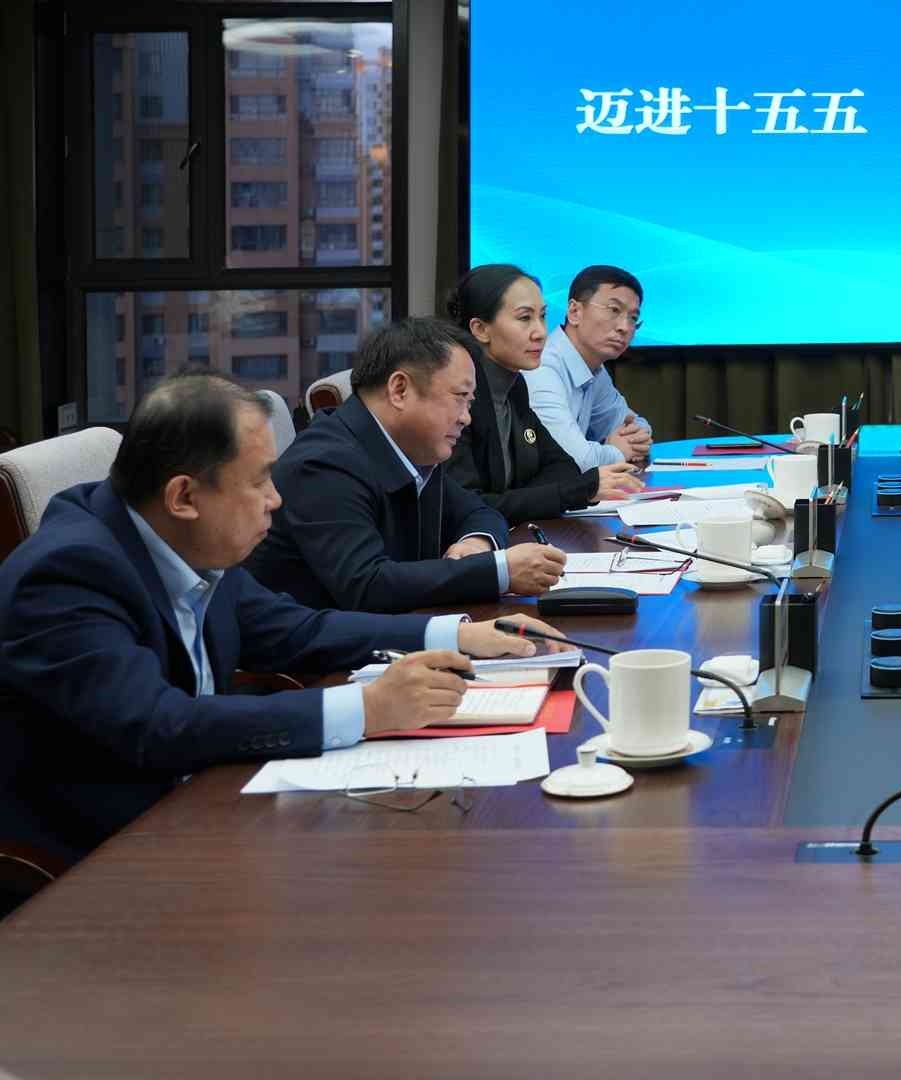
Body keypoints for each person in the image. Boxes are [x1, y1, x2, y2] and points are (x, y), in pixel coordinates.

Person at [0, 373, 560, 865]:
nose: (276, 499)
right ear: (183, 496)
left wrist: (458, 634)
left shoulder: (185, 538)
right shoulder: (68, 574)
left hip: (211, 801)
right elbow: (157, 724)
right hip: (106, 858)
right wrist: (368, 708)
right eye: (259, 481)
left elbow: (297, 631)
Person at [244, 318, 567, 613]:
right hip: (314, 656)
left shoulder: (412, 447)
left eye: (470, 403)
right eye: (459, 397)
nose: (466, 418)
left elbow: (479, 511)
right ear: (399, 390)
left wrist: (476, 544)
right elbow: (367, 585)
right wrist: (498, 571)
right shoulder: (323, 464)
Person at [444, 264, 646, 524]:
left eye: (542, 316)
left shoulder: (515, 386)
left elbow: (564, 466)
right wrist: (568, 492)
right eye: (524, 318)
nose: (540, 332)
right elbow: (469, 507)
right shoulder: (456, 399)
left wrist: (522, 498)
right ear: (481, 329)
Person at [523, 264, 654, 471]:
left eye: (633, 318)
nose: (625, 327)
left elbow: (634, 424)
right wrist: (618, 451)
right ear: (574, 312)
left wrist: (637, 438)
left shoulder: (595, 369)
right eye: (614, 310)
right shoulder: (542, 367)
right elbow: (575, 459)